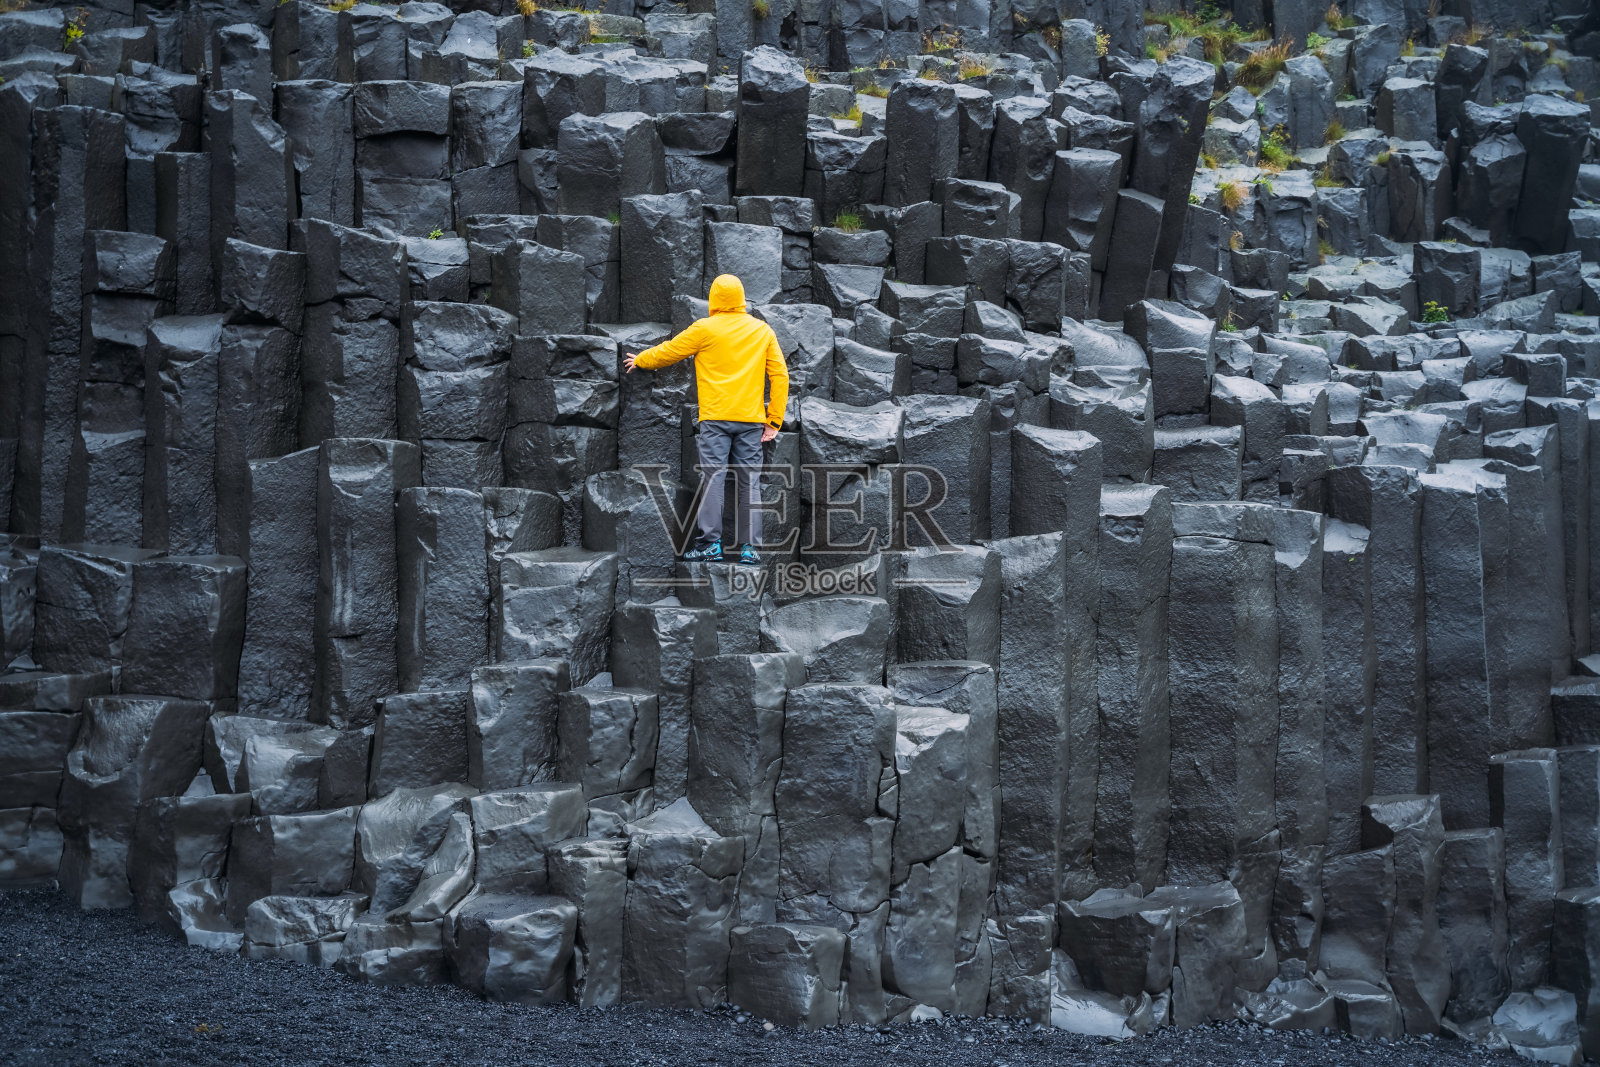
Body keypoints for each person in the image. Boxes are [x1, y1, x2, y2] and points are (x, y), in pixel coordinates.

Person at [624, 273, 789, 566]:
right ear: (740, 299)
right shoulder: (762, 331)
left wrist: (641, 359)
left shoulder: (704, 328)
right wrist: (774, 420)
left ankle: (710, 545)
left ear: (714, 299)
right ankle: (750, 549)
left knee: (713, 479)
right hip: (751, 420)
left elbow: (670, 351)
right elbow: (780, 376)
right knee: (749, 482)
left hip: (715, 419)